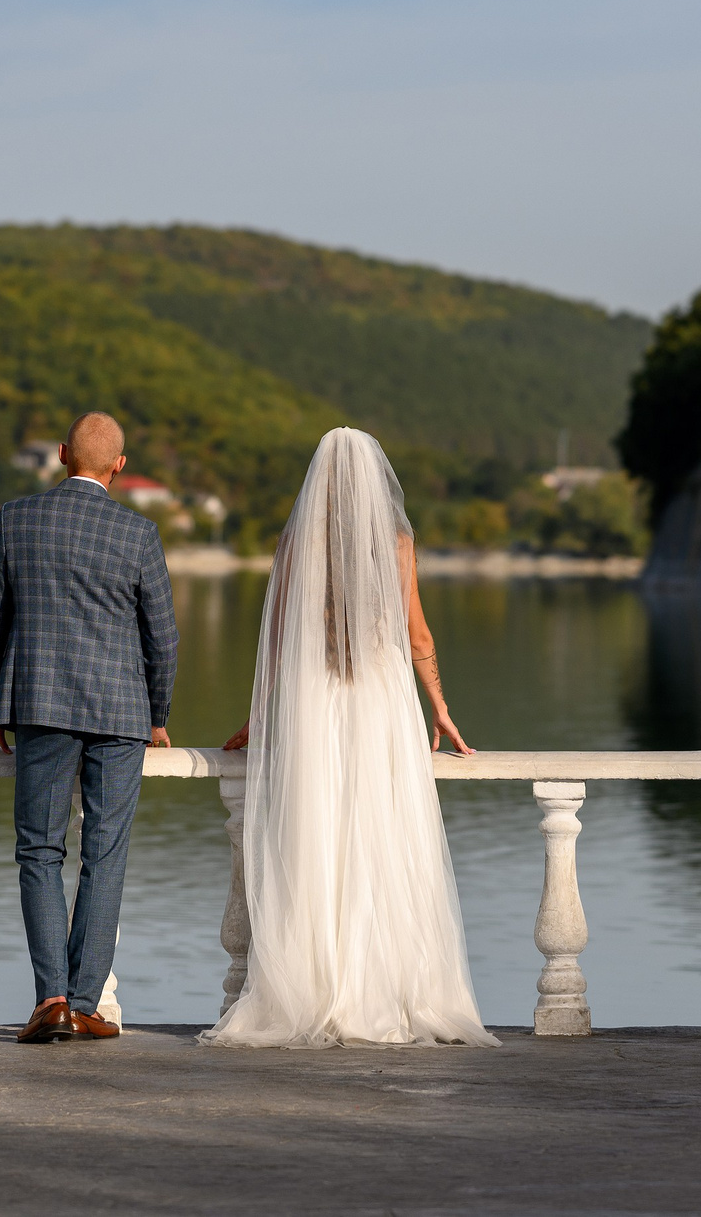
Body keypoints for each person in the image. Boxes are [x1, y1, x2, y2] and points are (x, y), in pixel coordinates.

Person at [204, 428, 496, 1049]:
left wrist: (260, 717)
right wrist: (440, 708)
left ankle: (318, 987)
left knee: (318, 837)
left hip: (316, 700)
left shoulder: (297, 542)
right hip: (379, 703)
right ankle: (382, 987)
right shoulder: (397, 543)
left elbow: (277, 640)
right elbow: (418, 635)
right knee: (380, 837)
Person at [0, 411, 176, 1045]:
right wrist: (157, 716)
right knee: (104, 856)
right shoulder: (139, 532)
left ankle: (51, 1000)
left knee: (40, 851)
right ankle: (84, 1004)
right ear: (120, 465)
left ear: (61, 454)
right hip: (121, 714)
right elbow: (163, 639)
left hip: (41, 707)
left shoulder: (16, 519)